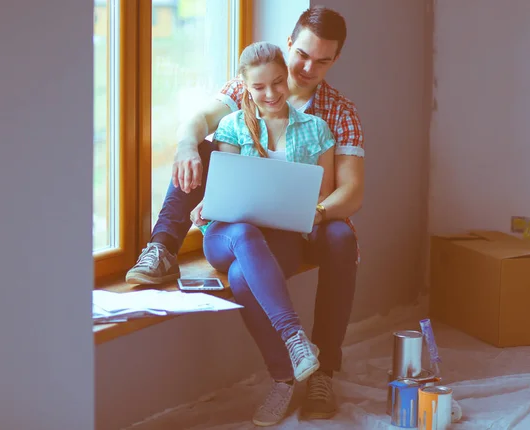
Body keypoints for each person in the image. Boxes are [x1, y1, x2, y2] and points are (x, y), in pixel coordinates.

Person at [126, 6, 364, 425]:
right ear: (290, 44)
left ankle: (319, 370)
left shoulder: (334, 114)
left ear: (336, 59)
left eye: (322, 60)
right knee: (202, 152)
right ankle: (162, 247)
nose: (308, 67)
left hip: (304, 225)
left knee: (341, 240)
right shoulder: (249, 88)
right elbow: (203, 127)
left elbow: (350, 190)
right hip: (241, 226)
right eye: (303, 54)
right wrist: (189, 155)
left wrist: (316, 210)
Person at [193, 41, 336, 425]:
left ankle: (282, 381)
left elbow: (323, 194)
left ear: (285, 76)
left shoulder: (316, 129)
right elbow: (223, 193)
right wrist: (206, 205)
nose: (271, 94)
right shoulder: (232, 126)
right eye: (259, 87)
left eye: (277, 82)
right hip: (227, 235)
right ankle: (294, 338)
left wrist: (303, 206)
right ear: (244, 87)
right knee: (242, 233)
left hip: (283, 240)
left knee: (243, 278)